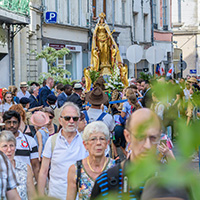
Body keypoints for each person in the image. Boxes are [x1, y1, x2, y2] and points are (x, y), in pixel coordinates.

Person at [91, 108, 162, 199]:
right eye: (141, 137)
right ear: (127, 136)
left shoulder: (173, 179)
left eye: (153, 138)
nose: (147, 145)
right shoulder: (106, 182)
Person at [38, 102, 88, 200]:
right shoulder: (52, 141)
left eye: (75, 118)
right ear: (60, 120)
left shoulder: (86, 142)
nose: (71, 121)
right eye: (67, 118)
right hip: (56, 195)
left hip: (80, 196)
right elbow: (43, 171)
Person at [67, 121, 115, 200]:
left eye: (102, 139)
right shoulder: (76, 169)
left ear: (107, 143)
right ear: (85, 144)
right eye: (93, 139)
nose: (98, 143)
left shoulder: (116, 167)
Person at [3, 110, 40, 181]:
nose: (11, 125)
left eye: (14, 122)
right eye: (8, 122)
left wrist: (39, 190)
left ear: (19, 124)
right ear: (4, 124)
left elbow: (36, 166)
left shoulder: (30, 141)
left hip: (25, 183)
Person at [0, 130, 36, 200]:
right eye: (5, 146)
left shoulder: (25, 168)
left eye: (11, 145)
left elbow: (32, 196)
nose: (9, 149)